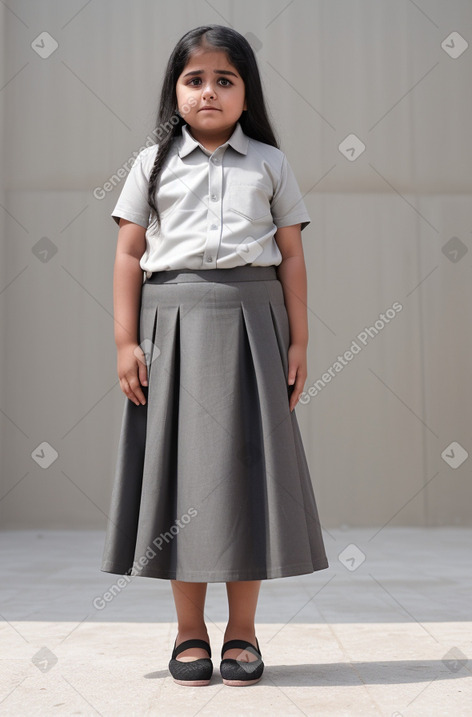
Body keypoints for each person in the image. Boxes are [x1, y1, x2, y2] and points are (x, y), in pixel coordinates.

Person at [100, 24, 329, 687]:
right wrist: (125, 340)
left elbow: (291, 255)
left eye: (224, 80)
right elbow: (128, 253)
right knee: (184, 483)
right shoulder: (151, 164)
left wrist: (300, 339)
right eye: (194, 79)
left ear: (245, 91)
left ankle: (244, 633)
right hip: (170, 326)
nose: (209, 92)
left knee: (248, 483)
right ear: (176, 90)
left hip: (255, 327)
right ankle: (189, 632)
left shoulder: (270, 163)